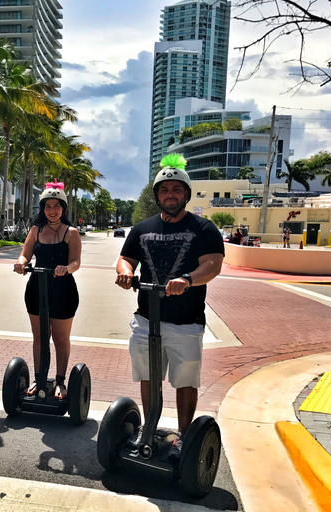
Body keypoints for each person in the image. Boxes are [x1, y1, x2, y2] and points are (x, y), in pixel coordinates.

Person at [115, 153, 224, 459]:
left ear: (186, 194)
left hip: (185, 321)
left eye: (176, 189)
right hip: (146, 317)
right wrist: (124, 272)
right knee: (149, 377)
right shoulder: (142, 228)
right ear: (157, 196)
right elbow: (126, 258)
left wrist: (188, 279)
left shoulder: (204, 228)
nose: (170, 195)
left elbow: (213, 265)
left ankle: (184, 437)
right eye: (164, 190)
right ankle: (148, 430)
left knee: (185, 381)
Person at [13, 181, 82, 399]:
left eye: (57, 206)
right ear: (43, 209)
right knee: (40, 337)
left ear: (63, 208)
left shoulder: (71, 232)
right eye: (48, 206)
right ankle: (39, 378)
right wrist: (20, 262)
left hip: (63, 291)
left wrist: (66, 268)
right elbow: (25, 254)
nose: (52, 210)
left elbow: (76, 262)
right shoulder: (36, 230)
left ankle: (60, 381)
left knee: (60, 338)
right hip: (36, 288)